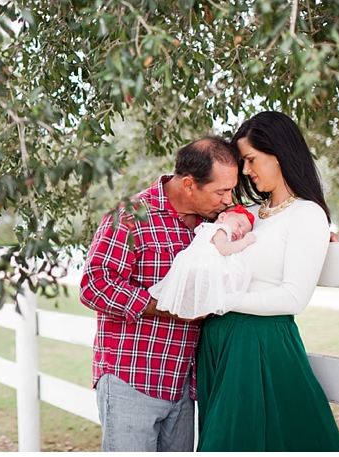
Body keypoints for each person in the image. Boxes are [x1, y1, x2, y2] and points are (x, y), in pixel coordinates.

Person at [196, 111, 339, 451]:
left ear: (278, 154)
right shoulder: (251, 214)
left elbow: (293, 298)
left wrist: (219, 300)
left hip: (258, 343)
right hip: (222, 342)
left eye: (250, 160)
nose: (245, 171)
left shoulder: (307, 214)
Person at [80, 136, 238, 452]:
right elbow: (94, 284)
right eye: (221, 191)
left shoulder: (211, 224)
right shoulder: (130, 216)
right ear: (190, 185)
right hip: (132, 379)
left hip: (182, 384)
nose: (228, 199)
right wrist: (167, 306)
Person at [148, 204, 256, 319]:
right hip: (204, 265)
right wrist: (245, 241)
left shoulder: (208, 228)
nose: (240, 232)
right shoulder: (221, 230)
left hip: (194, 264)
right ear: (223, 217)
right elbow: (224, 248)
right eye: (239, 225)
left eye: (243, 233)